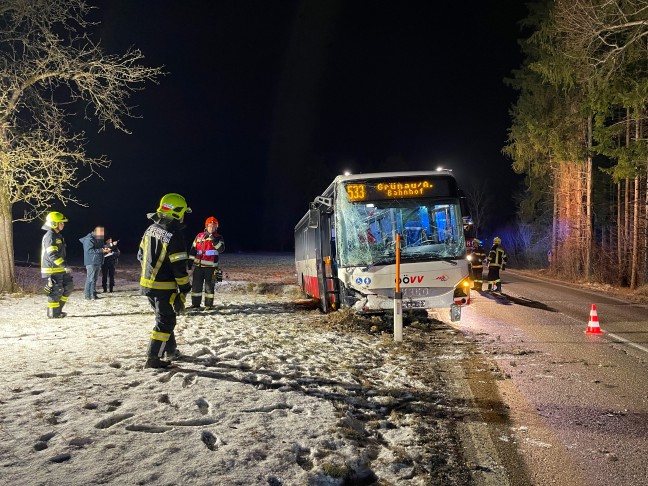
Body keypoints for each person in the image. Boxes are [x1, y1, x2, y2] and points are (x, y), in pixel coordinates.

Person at [138, 193, 192, 369]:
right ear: (176, 212)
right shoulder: (174, 235)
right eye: (183, 212)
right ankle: (153, 358)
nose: (184, 217)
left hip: (147, 285)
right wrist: (184, 288)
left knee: (164, 318)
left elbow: (140, 255)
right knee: (166, 321)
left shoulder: (150, 229)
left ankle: (170, 351)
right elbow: (179, 267)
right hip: (164, 287)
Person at [40, 211, 74, 318]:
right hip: (52, 269)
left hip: (60, 269)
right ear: (54, 223)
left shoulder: (57, 235)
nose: (63, 224)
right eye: (61, 222)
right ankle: (53, 314)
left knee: (69, 287)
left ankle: (58, 310)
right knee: (56, 292)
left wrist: (64, 267)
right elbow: (52, 254)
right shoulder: (50, 236)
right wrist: (63, 265)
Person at [188, 216, 225, 310]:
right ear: (206, 226)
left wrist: (213, 239)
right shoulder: (199, 236)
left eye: (214, 226)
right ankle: (195, 304)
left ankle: (209, 305)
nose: (211, 228)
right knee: (196, 287)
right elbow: (193, 250)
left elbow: (221, 249)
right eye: (210, 226)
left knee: (209, 287)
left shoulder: (219, 237)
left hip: (211, 267)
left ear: (216, 227)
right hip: (198, 266)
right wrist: (189, 264)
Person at [79, 226, 106, 300]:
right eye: (101, 232)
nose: (102, 233)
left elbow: (101, 247)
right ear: (96, 232)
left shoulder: (99, 239)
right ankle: (87, 295)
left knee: (95, 279)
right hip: (91, 262)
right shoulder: (89, 239)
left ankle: (93, 294)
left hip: (98, 261)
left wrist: (108, 246)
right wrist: (102, 250)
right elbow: (89, 250)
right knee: (90, 278)